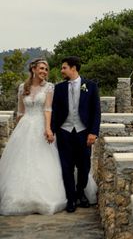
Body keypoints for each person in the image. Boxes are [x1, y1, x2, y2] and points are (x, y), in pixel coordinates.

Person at [0, 58, 67, 215]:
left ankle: (43, 198)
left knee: (42, 160)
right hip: (24, 127)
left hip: (40, 126)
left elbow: (48, 109)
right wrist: (16, 131)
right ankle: (19, 197)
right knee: (21, 161)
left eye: (46, 69)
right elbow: (20, 112)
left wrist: (48, 129)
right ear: (33, 69)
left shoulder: (49, 88)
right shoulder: (23, 87)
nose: (44, 71)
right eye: (42, 68)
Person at [51, 56, 101, 213]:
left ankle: (81, 193)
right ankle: (71, 198)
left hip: (83, 132)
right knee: (66, 167)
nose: (61, 70)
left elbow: (96, 111)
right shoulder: (59, 88)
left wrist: (93, 132)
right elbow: (55, 112)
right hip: (64, 132)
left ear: (73, 68)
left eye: (64, 67)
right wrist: (52, 130)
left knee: (84, 165)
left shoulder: (90, 86)